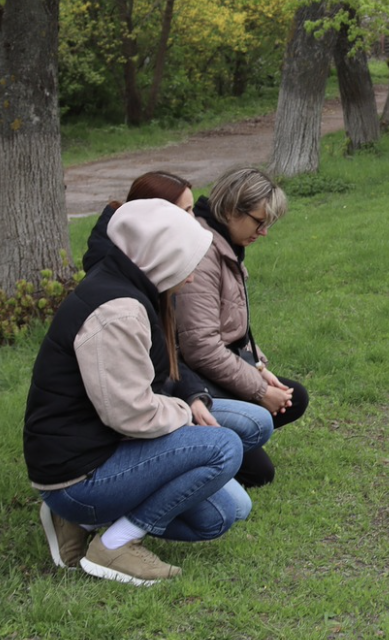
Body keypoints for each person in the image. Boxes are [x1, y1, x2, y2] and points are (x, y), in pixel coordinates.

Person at [25, 199, 261, 586]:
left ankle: (84, 521)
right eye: (187, 265)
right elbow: (131, 414)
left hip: (101, 451)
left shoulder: (129, 288)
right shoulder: (117, 311)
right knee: (224, 446)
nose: (192, 277)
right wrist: (185, 414)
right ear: (162, 259)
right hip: (77, 474)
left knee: (221, 515)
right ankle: (114, 543)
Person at [172, 167, 307, 489]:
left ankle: (224, 437)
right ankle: (195, 444)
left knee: (293, 397)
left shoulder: (225, 243)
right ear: (232, 210)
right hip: (188, 381)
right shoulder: (204, 253)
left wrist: (258, 366)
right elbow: (200, 348)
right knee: (258, 473)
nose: (264, 232)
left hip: (211, 369)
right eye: (260, 222)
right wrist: (259, 390)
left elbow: (232, 326)